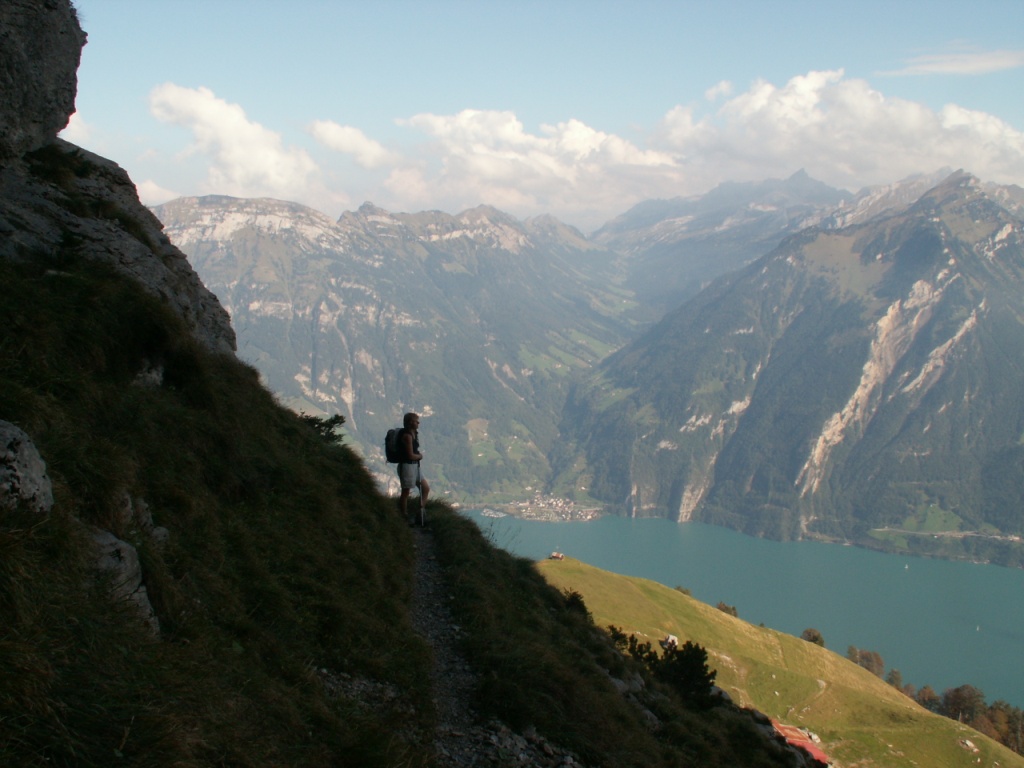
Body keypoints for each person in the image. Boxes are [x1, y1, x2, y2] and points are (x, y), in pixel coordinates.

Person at [397, 412, 430, 526]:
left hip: (414, 466)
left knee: (425, 488)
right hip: (407, 466)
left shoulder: (414, 434)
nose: (418, 423)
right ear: (411, 423)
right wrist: (420, 456)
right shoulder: (407, 436)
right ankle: (403, 516)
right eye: (416, 421)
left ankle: (420, 511)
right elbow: (410, 455)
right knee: (406, 491)